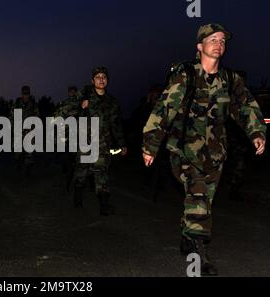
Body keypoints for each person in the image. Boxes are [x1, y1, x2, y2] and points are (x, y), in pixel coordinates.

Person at [142, 24, 267, 275]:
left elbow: (246, 108)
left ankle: (187, 236)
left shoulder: (231, 80)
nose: (219, 43)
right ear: (200, 46)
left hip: (216, 153)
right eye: (212, 39)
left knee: (203, 201)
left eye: (222, 40)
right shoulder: (186, 75)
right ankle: (198, 254)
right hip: (184, 150)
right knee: (198, 196)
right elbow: (163, 111)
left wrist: (256, 133)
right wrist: (150, 146)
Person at [70, 67, 127, 215]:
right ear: (92, 80)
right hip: (85, 142)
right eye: (98, 77)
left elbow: (116, 124)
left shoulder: (112, 101)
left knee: (101, 173)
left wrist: (122, 143)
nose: (101, 79)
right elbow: (71, 110)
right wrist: (81, 105)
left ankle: (104, 206)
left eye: (104, 77)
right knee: (81, 172)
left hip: (103, 144)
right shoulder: (85, 97)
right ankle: (77, 199)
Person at [10, 85, 39, 175]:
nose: (26, 96)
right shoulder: (16, 104)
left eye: (27, 94)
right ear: (22, 94)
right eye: (24, 94)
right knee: (17, 154)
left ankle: (27, 170)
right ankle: (18, 164)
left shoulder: (34, 105)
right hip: (18, 131)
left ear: (29, 94)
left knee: (29, 153)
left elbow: (37, 117)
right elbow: (11, 116)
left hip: (29, 132)